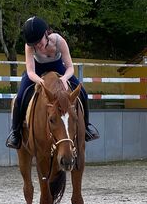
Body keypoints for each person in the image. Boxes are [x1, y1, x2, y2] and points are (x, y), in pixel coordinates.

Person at [6, 16, 99, 149]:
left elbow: (70, 67)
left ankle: (87, 127)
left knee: (82, 92)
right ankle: (15, 133)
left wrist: (64, 78)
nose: (38, 45)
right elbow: (31, 71)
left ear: (46, 33)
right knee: (20, 96)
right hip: (37, 70)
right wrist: (41, 82)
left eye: (39, 41)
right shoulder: (29, 46)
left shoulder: (59, 41)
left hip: (58, 67)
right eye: (34, 44)